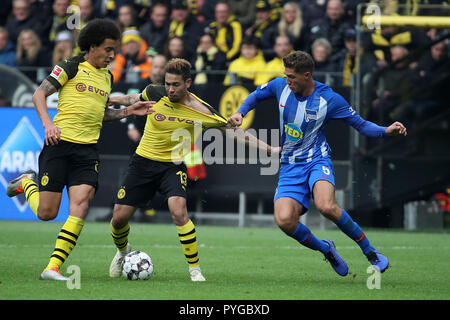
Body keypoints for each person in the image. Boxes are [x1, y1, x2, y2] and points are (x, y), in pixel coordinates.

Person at [227, 51, 407, 276]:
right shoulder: (280, 86)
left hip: (316, 160)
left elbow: (360, 124)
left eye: (291, 76)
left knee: (326, 206)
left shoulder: (329, 99)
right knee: (284, 221)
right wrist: (240, 113)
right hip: (290, 165)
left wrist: (385, 130)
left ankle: (370, 251)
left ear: (307, 75)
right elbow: (255, 96)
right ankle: (326, 249)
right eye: (286, 75)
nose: (287, 80)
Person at [5, 19, 154, 281]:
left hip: (87, 152)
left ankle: (52, 268)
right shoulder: (70, 66)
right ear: (93, 46)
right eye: (108, 49)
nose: (112, 55)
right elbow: (39, 95)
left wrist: (128, 110)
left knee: (80, 207)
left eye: (114, 50)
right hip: (59, 146)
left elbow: (101, 113)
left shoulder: (107, 77)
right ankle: (27, 183)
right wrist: (48, 124)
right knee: (47, 213)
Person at [107, 58, 278, 282]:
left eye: (175, 84)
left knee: (178, 211)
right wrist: (110, 99)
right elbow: (133, 98)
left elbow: (235, 132)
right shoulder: (155, 92)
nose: (170, 89)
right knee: (119, 219)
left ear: (188, 82)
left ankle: (194, 270)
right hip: (143, 161)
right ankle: (122, 252)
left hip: (174, 165)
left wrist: (269, 149)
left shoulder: (202, 110)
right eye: (167, 83)